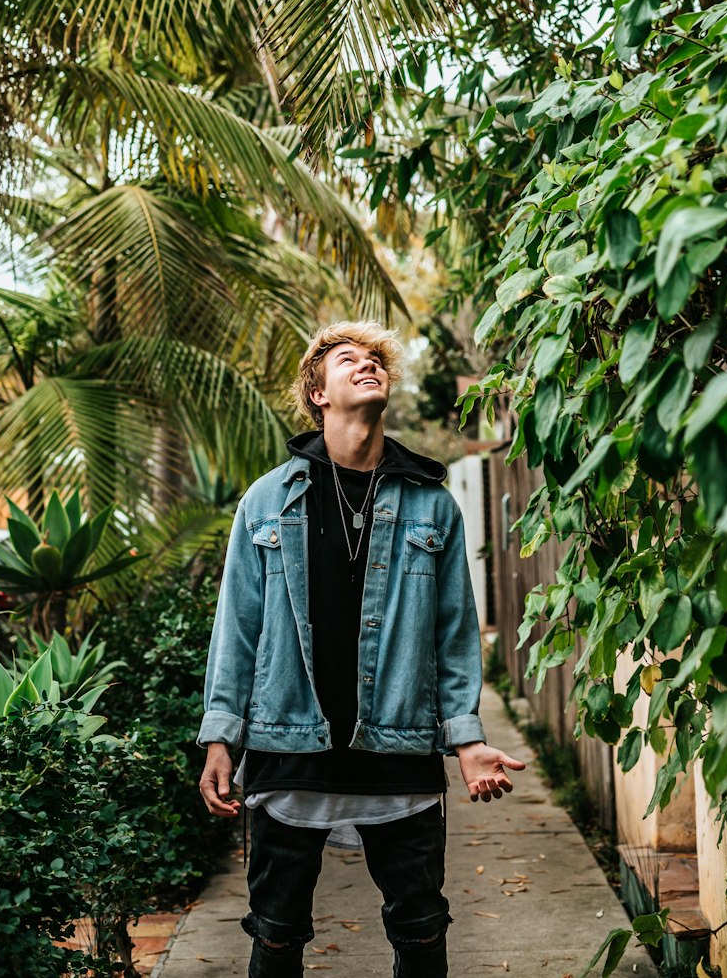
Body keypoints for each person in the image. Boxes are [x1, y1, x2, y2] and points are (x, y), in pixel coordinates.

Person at [197, 320, 525, 977]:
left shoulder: (432, 505)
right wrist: (219, 737)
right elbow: (238, 625)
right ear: (318, 393)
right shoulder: (267, 500)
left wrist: (464, 740)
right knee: (277, 935)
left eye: (375, 359)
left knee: (422, 934)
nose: (367, 365)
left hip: (396, 753)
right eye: (348, 359)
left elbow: (455, 632)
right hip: (290, 752)